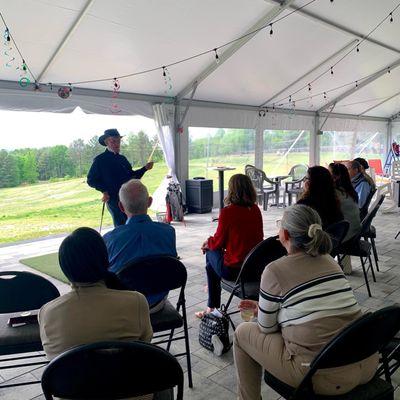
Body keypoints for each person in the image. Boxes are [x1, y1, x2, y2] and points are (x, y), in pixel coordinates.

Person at [233, 204, 378, 400]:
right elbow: (317, 308)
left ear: (284, 233)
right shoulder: (331, 261)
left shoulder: (274, 270)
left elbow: (266, 328)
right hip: (366, 363)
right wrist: (265, 309)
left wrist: (266, 313)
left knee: (243, 333)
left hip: (322, 376)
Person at [39, 227, 153, 360]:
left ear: (65, 268)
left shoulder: (48, 312)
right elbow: (146, 347)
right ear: (105, 259)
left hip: (73, 380)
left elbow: (51, 357)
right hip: (126, 378)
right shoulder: (136, 301)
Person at [103, 179, 177, 313]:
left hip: (124, 307)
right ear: (149, 202)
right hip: (158, 302)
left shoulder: (110, 239)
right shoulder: (168, 232)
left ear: (120, 207)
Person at [196, 174, 263, 318]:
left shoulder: (228, 212)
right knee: (211, 263)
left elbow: (218, 242)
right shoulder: (256, 210)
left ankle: (212, 305)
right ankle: (212, 287)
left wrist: (208, 243)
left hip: (234, 271)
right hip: (253, 269)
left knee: (210, 252)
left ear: (231, 190)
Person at [87, 129, 154, 227]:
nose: (117, 144)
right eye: (113, 141)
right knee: (121, 226)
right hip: (114, 199)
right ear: (106, 142)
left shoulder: (122, 159)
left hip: (129, 198)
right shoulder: (100, 160)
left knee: (134, 223)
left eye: (118, 141)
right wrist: (104, 190)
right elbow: (91, 180)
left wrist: (145, 169)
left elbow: (132, 176)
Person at [329, 162, 361, 242]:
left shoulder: (336, 194)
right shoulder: (348, 190)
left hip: (345, 236)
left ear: (336, 177)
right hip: (354, 232)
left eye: (328, 173)